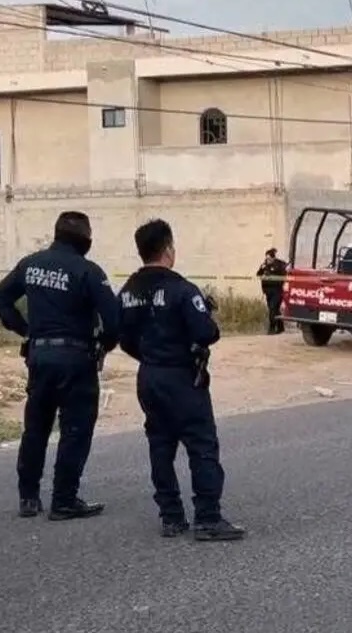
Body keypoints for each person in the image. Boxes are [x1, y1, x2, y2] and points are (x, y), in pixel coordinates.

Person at [118, 219, 245, 541]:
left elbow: (124, 338)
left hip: (149, 376)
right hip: (181, 377)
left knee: (160, 445)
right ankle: (207, 518)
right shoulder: (181, 289)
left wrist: (151, 358)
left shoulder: (128, 291)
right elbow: (206, 332)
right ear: (168, 249)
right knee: (201, 445)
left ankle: (171, 517)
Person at [0, 211, 119, 520]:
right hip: (76, 359)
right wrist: (104, 344)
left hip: (40, 357)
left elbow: (0, 299)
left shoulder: (31, 263)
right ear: (86, 240)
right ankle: (64, 500)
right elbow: (113, 320)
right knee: (76, 428)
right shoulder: (88, 271)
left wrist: (25, 329)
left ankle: (29, 498)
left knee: (36, 427)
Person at [256, 248, 288, 335]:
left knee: (272, 309)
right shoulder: (264, 265)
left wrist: (274, 277)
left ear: (273, 258)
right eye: (266, 258)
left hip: (277, 291)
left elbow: (284, 277)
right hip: (267, 291)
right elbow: (258, 274)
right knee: (274, 309)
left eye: (269, 259)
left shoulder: (279, 265)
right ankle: (281, 327)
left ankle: (272, 328)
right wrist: (262, 269)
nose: (268, 260)